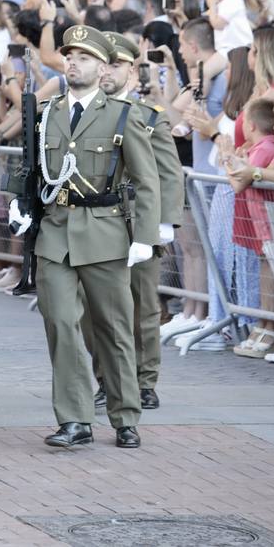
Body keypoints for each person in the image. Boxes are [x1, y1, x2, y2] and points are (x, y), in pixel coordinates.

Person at [14, 25, 159, 450]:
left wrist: (145, 236)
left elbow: (147, 181)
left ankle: (124, 414)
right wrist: (23, 206)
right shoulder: (47, 113)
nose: (73, 62)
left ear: (101, 67)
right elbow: (32, 170)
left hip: (105, 231)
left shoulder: (122, 115)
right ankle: (75, 418)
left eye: (84, 57)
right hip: (57, 231)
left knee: (113, 328)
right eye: (69, 56)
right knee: (60, 323)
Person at [85, 33, 182, 411]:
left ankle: (144, 380)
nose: (107, 71)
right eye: (102, 63)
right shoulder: (83, 112)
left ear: (131, 69)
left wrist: (164, 222)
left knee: (142, 306)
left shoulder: (147, 116)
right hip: (96, 222)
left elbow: (169, 174)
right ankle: (106, 379)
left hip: (136, 219)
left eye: (115, 64)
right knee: (93, 309)